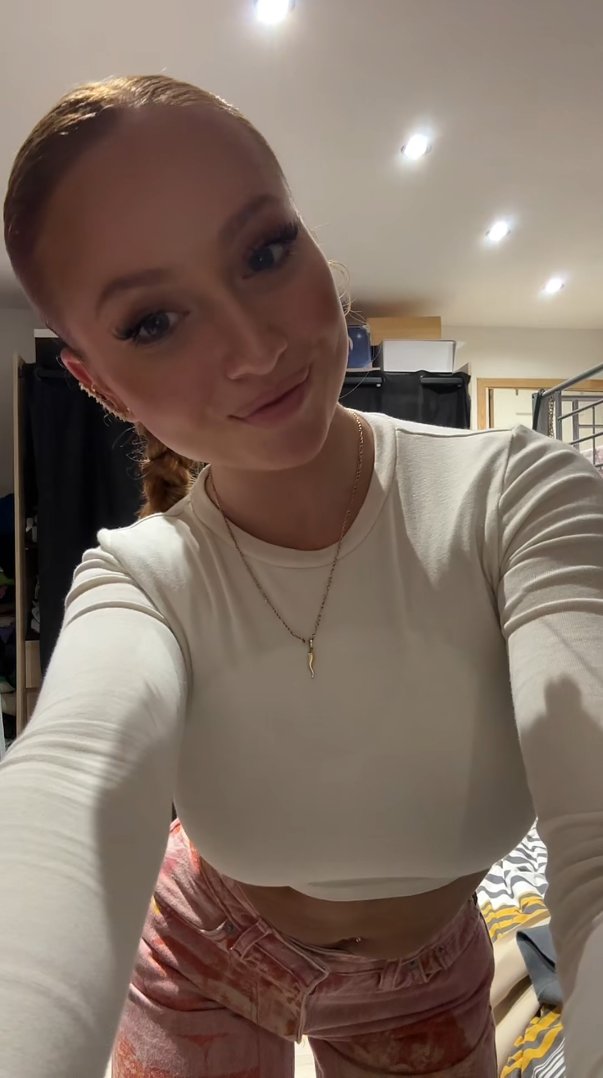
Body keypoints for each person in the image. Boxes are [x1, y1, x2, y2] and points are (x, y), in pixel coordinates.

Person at [1, 74, 602, 1078]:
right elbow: (69, 790)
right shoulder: (140, 578)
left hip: (426, 975)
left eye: (265, 251)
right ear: (98, 384)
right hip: (198, 947)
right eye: (153, 321)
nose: (255, 347)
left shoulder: (518, 497)